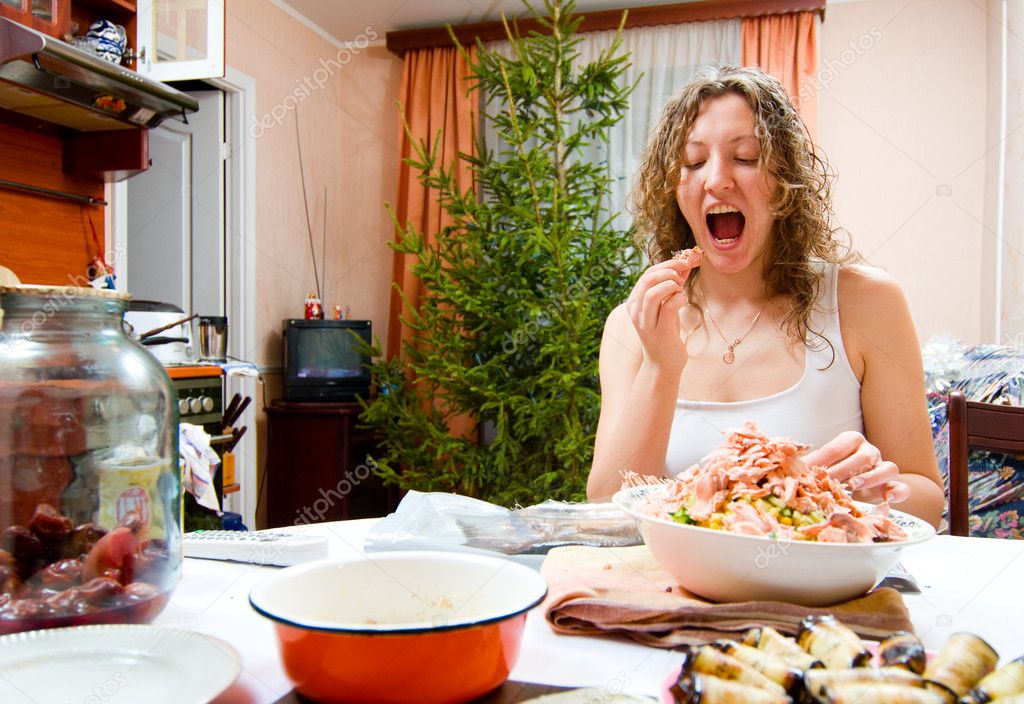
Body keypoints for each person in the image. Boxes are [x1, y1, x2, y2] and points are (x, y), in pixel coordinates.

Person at [587, 66, 944, 528]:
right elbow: (606, 509)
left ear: (785, 181)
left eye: (747, 157)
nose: (716, 180)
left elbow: (926, 498)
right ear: (673, 189)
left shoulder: (868, 302)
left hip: (819, 590)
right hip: (679, 590)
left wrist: (857, 494)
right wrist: (660, 366)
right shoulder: (632, 326)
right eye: (693, 163)